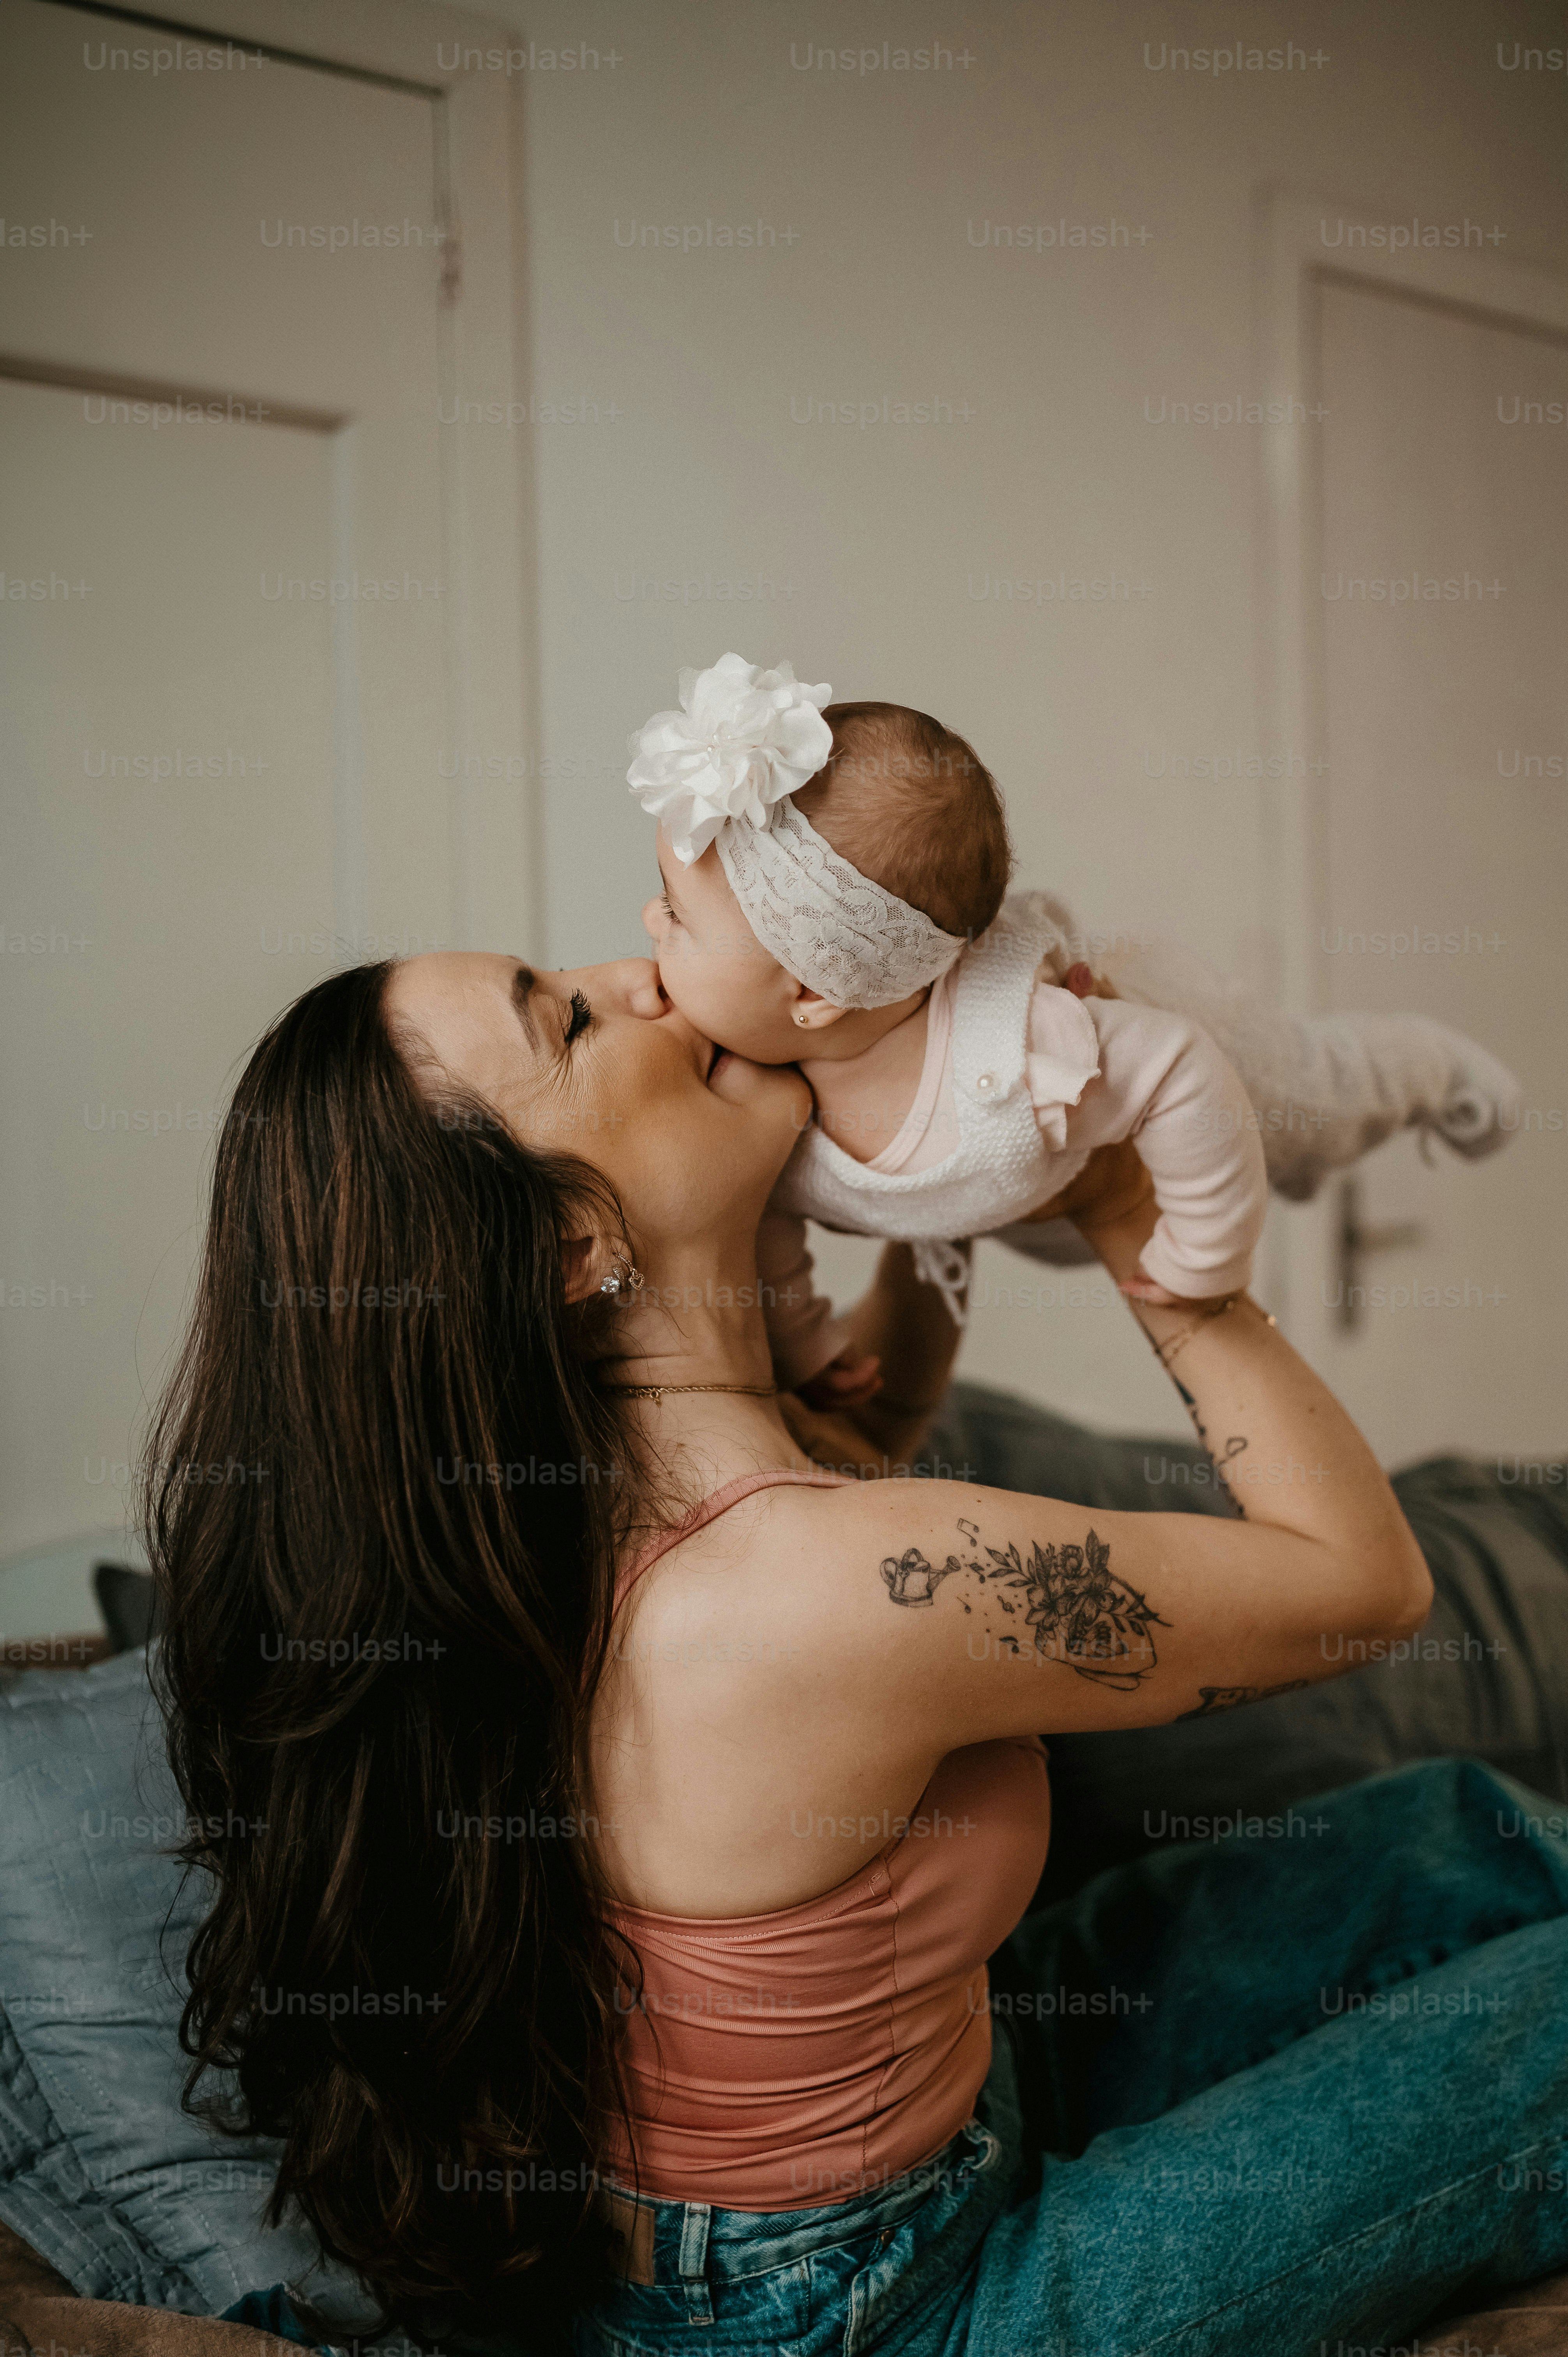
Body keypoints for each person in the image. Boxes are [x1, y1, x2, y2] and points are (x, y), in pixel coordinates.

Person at [119, 949, 1568, 2357]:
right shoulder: (813, 1592)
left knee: (1452, 1832)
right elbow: (1359, 1580)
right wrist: (1157, 1222)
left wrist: (971, 1166)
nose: (642, 973)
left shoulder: (573, 1509)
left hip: (857, 2170)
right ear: (571, 1243)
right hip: (864, 2309)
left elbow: (867, 1440)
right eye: (564, 1019)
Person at [627, 652, 1520, 1388]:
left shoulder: (1019, 1044)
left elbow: (1180, 1066)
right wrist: (807, 1340)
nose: (648, 922)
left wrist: (1208, 1249)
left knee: (1318, 1102)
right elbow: (766, 1223)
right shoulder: (746, 1092)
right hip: (1047, 1214)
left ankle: (1431, 1072)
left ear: (813, 996)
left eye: (678, 918)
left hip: (1191, 1070)